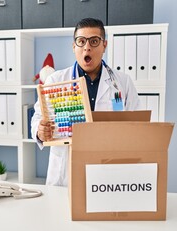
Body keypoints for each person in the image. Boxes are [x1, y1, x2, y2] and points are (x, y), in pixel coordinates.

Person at [31, 18, 141, 186]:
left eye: (94, 41)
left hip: (107, 169)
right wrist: (40, 130)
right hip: (66, 170)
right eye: (81, 41)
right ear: (74, 46)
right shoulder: (56, 80)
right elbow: (38, 118)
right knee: (62, 211)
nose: (87, 47)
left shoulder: (122, 83)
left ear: (104, 45)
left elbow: (136, 124)